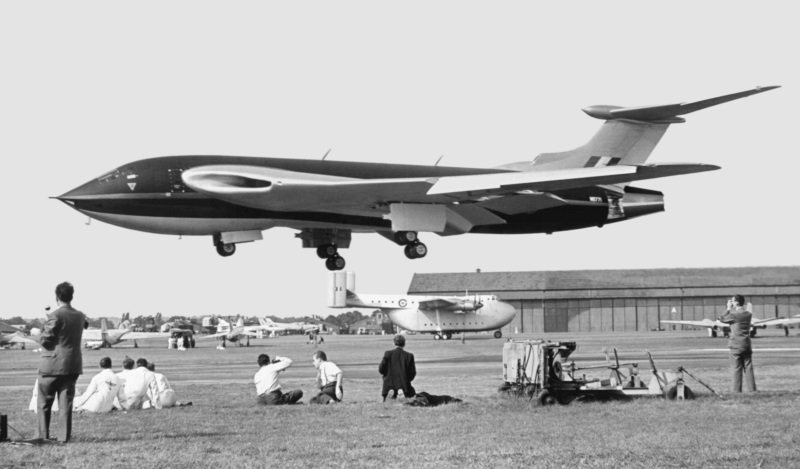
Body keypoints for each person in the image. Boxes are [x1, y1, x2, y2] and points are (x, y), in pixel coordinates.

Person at [35, 281, 88, 444]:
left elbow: (45, 340)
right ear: (71, 296)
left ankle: (43, 436)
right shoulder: (80, 315)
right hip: (72, 364)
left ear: (57, 296)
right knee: (66, 404)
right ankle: (63, 437)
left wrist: (41, 330)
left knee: (44, 403)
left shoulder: (55, 315)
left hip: (51, 365)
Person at [719, 294, 757, 392]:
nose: (731, 302)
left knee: (736, 368)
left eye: (732, 301)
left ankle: (736, 391)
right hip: (747, 344)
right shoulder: (748, 314)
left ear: (736, 302)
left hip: (736, 345)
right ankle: (752, 390)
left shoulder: (734, 315)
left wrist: (728, 308)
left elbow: (722, 318)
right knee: (748, 368)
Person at [378, 335, 416, 401]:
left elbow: (381, 369)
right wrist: (407, 380)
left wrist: (386, 375)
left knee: (387, 402)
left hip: (389, 383)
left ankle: (391, 392)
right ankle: (401, 391)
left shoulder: (388, 354)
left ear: (394, 343)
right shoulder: (409, 355)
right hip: (404, 383)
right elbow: (412, 372)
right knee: (412, 396)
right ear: (404, 344)